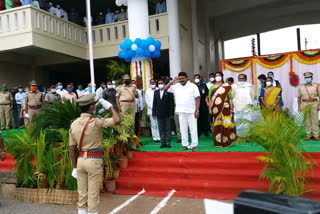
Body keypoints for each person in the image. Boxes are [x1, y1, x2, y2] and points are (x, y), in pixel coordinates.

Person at [69, 94, 120, 214]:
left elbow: (72, 148)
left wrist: (74, 167)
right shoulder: (96, 122)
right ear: (91, 107)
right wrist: (111, 107)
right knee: (93, 195)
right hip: (94, 160)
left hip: (80, 160)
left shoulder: (74, 124)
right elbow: (117, 120)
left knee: (82, 194)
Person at [165, 72, 200, 151]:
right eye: (180, 79)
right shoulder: (176, 86)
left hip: (191, 111)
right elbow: (165, 89)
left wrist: (197, 110)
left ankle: (194, 145)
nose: (181, 80)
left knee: (193, 129)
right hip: (181, 111)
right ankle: (185, 145)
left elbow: (197, 98)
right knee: (183, 130)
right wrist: (172, 81)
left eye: (183, 78)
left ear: (187, 78)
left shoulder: (193, 86)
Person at [209, 72, 236, 148]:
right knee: (218, 124)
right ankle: (218, 142)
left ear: (222, 77)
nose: (217, 77)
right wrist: (210, 109)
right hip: (216, 109)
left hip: (226, 108)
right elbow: (210, 99)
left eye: (219, 75)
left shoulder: (226, 86)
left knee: (226, 124)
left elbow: (230, 98)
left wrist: (231, 107)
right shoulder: (212, 87)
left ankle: (227, 142)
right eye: (216, 76)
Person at [298, 72, 320, 141]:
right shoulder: (301, 87)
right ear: (304, 78)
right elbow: (299, 97)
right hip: (304, 103)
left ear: (312, 78)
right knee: (306, 120)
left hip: (314, 103)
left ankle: (315, 134)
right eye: (306, 77)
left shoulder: (316, 86)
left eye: (309, 77)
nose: (308, 78)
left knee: (315, 120)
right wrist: (299, 106)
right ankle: (308, 134)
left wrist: (319, 105)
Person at [153, 79, 174, 148]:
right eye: (159, 83)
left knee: (168, 128)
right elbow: (154, 103)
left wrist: (171, 113)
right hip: (159, 113)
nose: (160, 84)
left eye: (161, 83)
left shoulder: (169, 92)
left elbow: (172, 103)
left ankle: (168, 142)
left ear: (164, 84)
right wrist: (154, 113)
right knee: (161, 129)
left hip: (167, 113)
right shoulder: (156, 92)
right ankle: (163, 142)